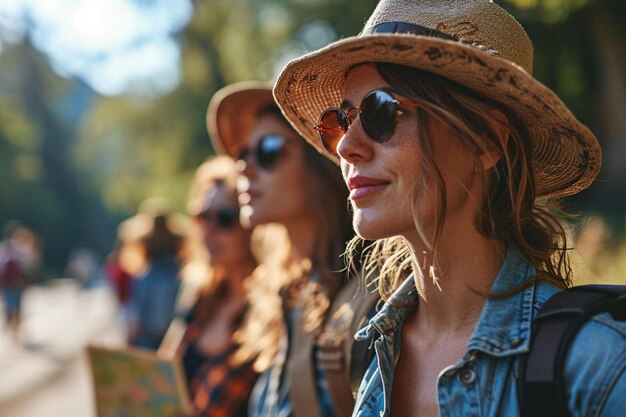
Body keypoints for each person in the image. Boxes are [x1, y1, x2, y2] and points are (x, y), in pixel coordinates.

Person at [272, 1, 624, 416]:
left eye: (380, 111)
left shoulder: (597, 364)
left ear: (488, 139)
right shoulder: (374, 355)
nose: (347, 146)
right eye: (342, 120)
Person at [207, 82, 378, 417]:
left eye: (269, 150)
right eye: (243, 154)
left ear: (319, 161)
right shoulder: (286, 294)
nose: (245, 167)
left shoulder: (372, 300)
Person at [161, 155, 260, 417]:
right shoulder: (198, 295)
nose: (209, 230)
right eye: (202, 216)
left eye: (226, 218)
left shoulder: (270, 311)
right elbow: (163, 371)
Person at [120, 197, 185, 350]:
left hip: (148, 334)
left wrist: (129, 340)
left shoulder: (144, 240)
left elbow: (137, 311)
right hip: (173, 277)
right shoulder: (176, 238)